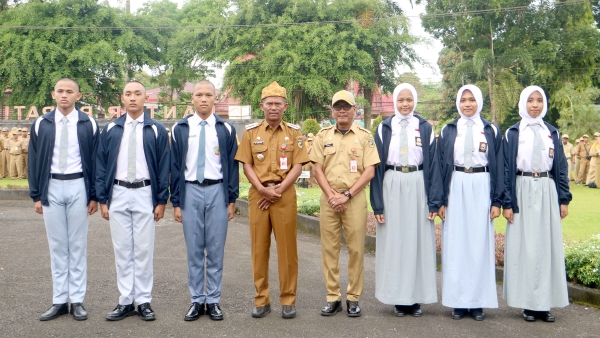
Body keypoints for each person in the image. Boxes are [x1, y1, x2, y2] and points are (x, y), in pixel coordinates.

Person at [96, 81, 170, 322]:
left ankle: (144, 301)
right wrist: (103, 199)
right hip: (117, 193)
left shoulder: (156, 129)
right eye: (128, 94)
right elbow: (101, 165)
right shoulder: (111, 129)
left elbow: (163, 167)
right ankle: (125, 300)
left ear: (145, 97)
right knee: (122, 249)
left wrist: (161, 200)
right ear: (122, 98)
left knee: (144, 249)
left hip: (144, 193)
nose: (133, 98)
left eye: (137, 93)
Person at [234, 81, 310, 319]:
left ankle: (288, 300)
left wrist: (277, 191)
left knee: (287, 250)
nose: (274, 107)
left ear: (285, 106)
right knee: (259, 249)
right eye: (270, 103)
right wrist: (262, 189)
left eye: (278, 103)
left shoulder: (295, 133)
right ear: (262, 105)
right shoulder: (250, 133)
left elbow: (298, 166)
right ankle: (261, 299)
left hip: (284, 194)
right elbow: (246, 164)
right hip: (259, 194)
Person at [28, 78, 99, 321]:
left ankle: (77, 300)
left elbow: (95, 160)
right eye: (60, 91)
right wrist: (37, 194)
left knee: (77, 245)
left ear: (78, 96)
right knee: (57, 245)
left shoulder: (88, 122)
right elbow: (34, 160)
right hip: (52, 186)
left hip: (79, 184)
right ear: (53, 94)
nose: (64, 95)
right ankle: (59, 300)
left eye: (70, 91)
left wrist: (94, 195)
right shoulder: (42, 124)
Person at [370, 83, 442, 317]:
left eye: (409, 100)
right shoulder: (384, 127)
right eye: (400, 100)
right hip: (391, 182)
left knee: (417, 241)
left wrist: (434, 201)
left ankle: (415, 298)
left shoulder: (424, 128)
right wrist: (377, 203)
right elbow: (376, 167)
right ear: (394, 102)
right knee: (394, 242)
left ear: (415, 101)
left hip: (418, 182)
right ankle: (397, 298)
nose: (405, 104)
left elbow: (433, 165)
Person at [502, 86, 571, 322]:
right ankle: (527, 304)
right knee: (524, 248)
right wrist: (507, 203)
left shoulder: (551, 132)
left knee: (545, 248)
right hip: (521, 189)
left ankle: (543, 305)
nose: (534, 105)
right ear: (523, 103)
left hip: (546, 190)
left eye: (539, 100)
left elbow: (560, 168)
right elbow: (506, 168)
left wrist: (564, 198)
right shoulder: (513, 133)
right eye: (530, 100)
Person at [171, 80, 239, 321]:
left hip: (217, 191)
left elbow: (232, 166)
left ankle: (213, 300)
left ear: (215, 98)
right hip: (191, 192)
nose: (203, 99)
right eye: (198, 94)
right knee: (194, 250)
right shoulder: (180, 128)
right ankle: (196, 300)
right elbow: (175, 166)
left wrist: (232, 199)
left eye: (208, 95)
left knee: (216, 249)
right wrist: (176, 202)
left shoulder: (225, 129)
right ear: (192, 99)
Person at [310, 90, 380, 318]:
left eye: (346, 107)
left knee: (356, 250)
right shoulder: (322, 136)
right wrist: (332, 195)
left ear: (354, 110)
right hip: (329, 199)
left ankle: (353, 298)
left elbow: (369, 171)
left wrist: (347, 195)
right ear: (332, 110)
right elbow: (316, 168)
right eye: (337, 107)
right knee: (329, 250)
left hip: (354, 198)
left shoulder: (364, 136)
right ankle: (333, 297)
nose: (342, 110)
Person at [437, 84, 502, 321]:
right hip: (456, 183)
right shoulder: (448, 129)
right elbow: (439, 166)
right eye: (463, 100)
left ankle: (477, 302)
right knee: (456, 244)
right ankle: (457, 301)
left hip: (482, 183)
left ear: (479, 102)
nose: (467, 104)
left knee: (478, 244)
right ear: (458, 103)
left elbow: (500, 165)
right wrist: (440, 201)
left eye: (472, 100)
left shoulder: (491, 130)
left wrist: (497, 201)